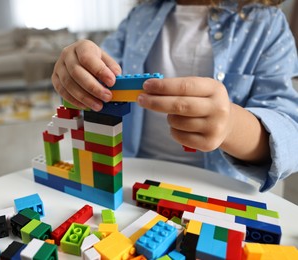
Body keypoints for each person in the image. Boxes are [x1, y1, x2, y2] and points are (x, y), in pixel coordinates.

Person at [51, 0, 298, 192]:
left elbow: (290, 140)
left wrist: (231, 125)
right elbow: (100, 79)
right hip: (130, 176)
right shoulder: (140, 17)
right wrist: (79, 70)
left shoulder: (266, 24)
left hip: (215, 188)